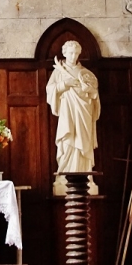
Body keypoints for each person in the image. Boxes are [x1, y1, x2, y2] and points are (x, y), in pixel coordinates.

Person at [46, 39, 101, 173]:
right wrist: (65, 84)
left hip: (84, 111)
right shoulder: (58, 72)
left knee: (83, 140)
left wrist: (89, 90)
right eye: (70, 53)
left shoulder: (86, 73)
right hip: (67, 109)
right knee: (68, 139)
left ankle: (85, 174)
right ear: (64, 53)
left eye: (76, 53)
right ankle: (65, 172)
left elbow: (95, 94)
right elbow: (50, 90)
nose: (73, 56)